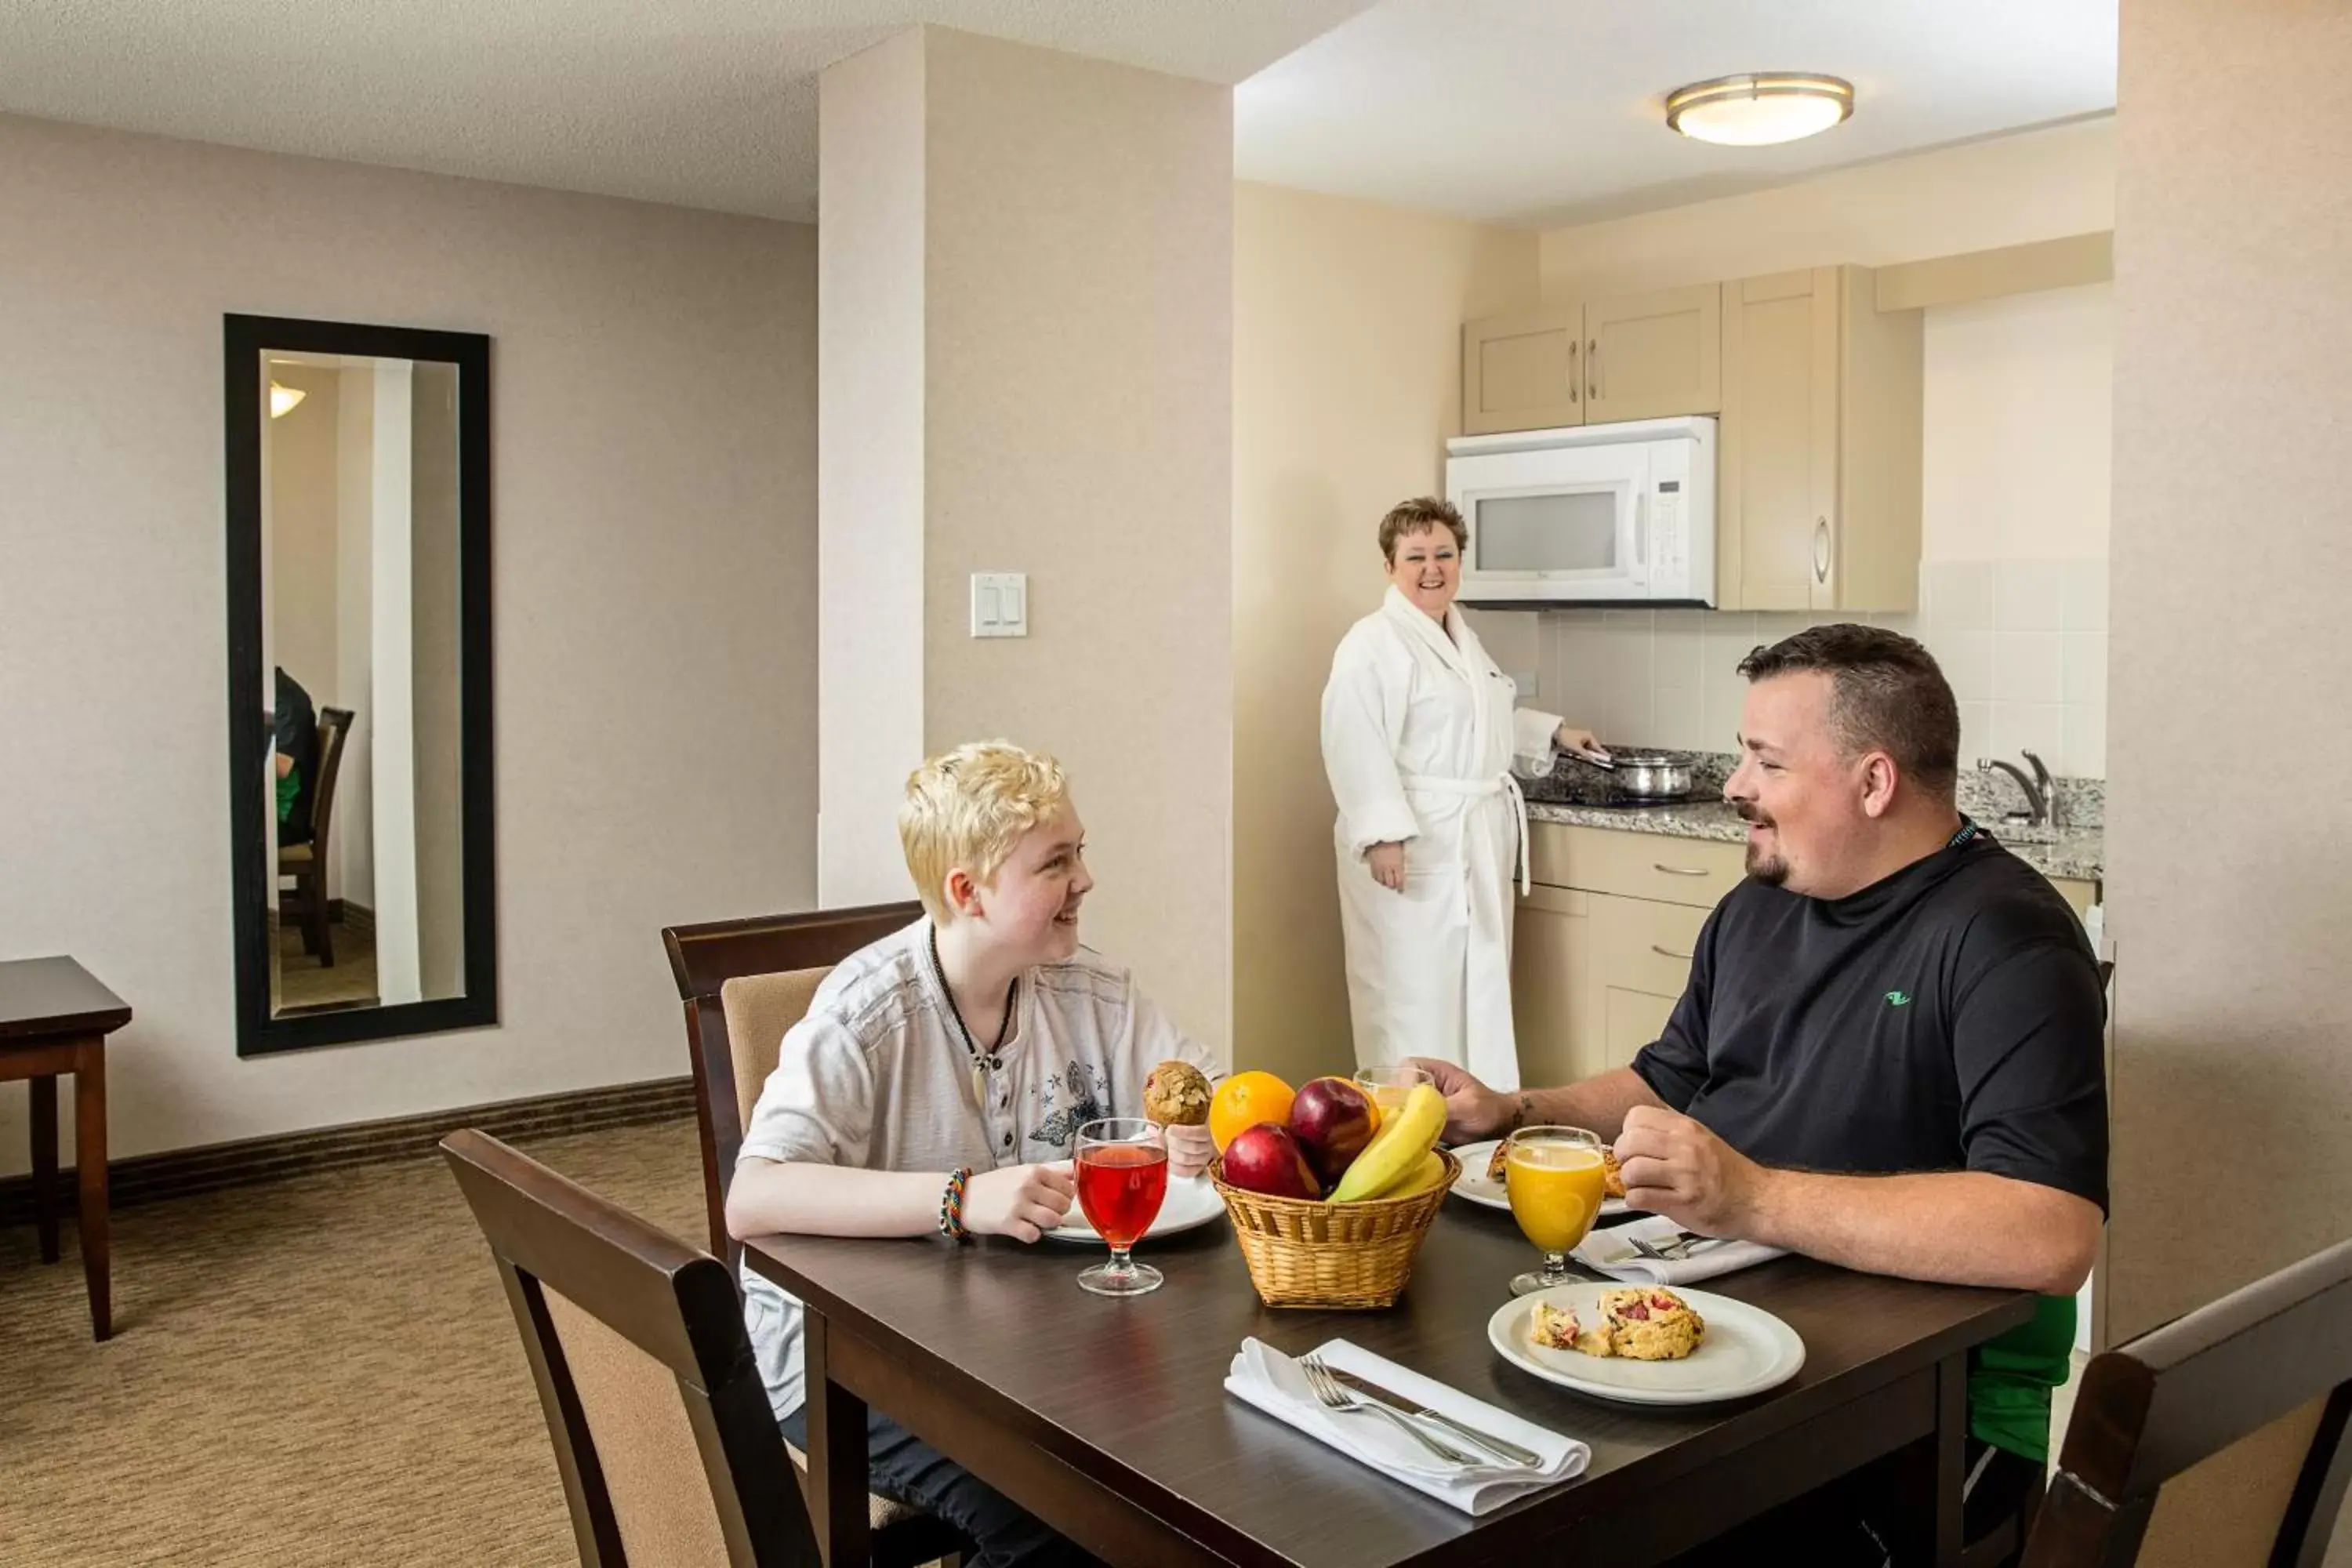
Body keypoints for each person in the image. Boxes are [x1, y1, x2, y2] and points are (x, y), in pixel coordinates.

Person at [1415, 624, 2106, 1557]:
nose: (1736, 784)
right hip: (1718, 1340)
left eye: (1766, 760)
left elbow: (2052, 1231)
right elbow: (1670, 1078)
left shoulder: (2007, 938)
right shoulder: (1759, 902)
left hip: (1917, 1413)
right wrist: (1515, 1108)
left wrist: (1755, 1197)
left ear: (1873, 782)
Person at [725, 741, 1220, 1568]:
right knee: (1063, 1517)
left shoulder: (1094, 989)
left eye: (1080, 852)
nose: (1086, 880)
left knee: (1194, 1459)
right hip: (839, 1360)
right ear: (968, 890)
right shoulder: (866, 1014)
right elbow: (755, 1195)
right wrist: (961, 1197)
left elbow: (1209, 1086)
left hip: (1020, 1346)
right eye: (1056, 862)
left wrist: (1200, 1129)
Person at [1320, 496, 1602, 1087]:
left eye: (1444, 554)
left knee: (1475, 993)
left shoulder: (1459, 636)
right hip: (1414, 845)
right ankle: (1405, 1138)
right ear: (1389, 565)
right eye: (1416, 555)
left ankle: (1470, 1136)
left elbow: (1478, 716)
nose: (1432, 567)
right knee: (1412, 995)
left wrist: (1552, 732)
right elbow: (1353, 739)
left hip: (1470, 839)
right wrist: (1382, 834)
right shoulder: (1372, 643)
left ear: (1459, 561)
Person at [271, 666, 319, 844]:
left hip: (284, 820)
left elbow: (282, 767)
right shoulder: (271, 693)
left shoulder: (287, 700)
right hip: (270, 811)